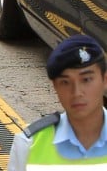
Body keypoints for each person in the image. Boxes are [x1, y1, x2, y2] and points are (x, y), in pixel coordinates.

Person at [8, 34, 107, 169]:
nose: (77, 92)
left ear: (105, 80)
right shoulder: (29, 143)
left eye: (86, 80)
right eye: (65, 82)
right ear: (55, 87)